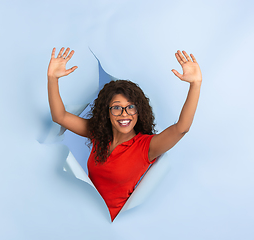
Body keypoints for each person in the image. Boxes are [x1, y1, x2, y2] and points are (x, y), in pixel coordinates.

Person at [47, 47, 202, 221]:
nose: (124, 114)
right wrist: (52, 78)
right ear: (107, 112)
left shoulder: (147, 147)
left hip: (112, 224)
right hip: (83, 215)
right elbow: (59, 116)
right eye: (116, 107)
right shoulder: (99, 134)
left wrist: (195, 84)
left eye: (131, 107)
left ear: (139, 111)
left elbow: (181, 128)